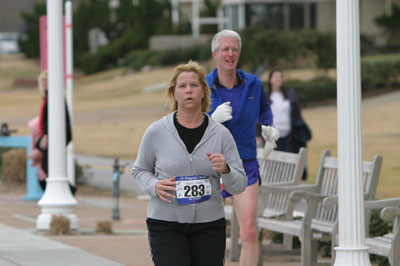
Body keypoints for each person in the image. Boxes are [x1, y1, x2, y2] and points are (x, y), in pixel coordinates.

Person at [132, 60, 247, 266]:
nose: (188, 91)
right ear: (173, 93)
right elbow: (140, 170)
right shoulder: (156, 131)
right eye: (182, 86)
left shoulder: (221, 135)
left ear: (203, 91)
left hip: (209, 225)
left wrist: (227, 170)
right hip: (166, 223)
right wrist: (155, 186)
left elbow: (238, 185)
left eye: (194, 85)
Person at [206, 29, 279, 266]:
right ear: (215, 53)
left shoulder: (253, 84)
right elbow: (185, 122)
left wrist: (269, 129)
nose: (230, 54)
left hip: (244, 164)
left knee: (249, 233)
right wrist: (210, 120)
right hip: (210, 165)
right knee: (208, 234)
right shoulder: (202, 85)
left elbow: (265, 110)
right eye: (225, 49)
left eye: (234, 49)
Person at [257, 70, 312, 179]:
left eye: (280, 76)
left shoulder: (291, 95)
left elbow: (297, 115)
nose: (278, 79)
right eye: (276, 76)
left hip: (289, 137)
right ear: (270, 80)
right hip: (272, 138)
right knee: (273, 167)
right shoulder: (265, 97)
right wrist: (258, 134)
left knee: (289, 166)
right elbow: (258, 116)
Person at [35, 70, 76, 194]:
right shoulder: (48, 98)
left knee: (49, 170)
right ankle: (64, 192)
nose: (44, 83)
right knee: (47, 170)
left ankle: (69, 192)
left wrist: (46, 136)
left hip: (55, 139)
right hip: (50, 138)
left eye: (46, 80)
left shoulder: (55, 98)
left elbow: (55, 120)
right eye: (42, 80)